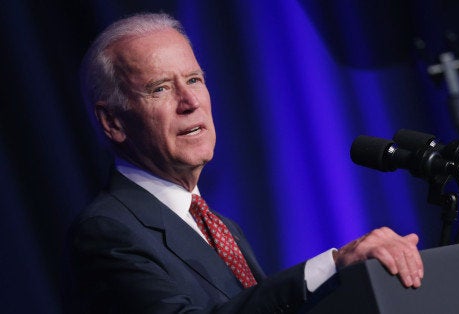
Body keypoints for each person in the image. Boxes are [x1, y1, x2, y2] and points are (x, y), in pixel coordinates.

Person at [69, 12, 424, 313]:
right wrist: (332, 264)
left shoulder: (220, 226)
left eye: (194, 80)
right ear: (113, 122)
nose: (190, 101)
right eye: (160, 88)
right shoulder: (107, 231)